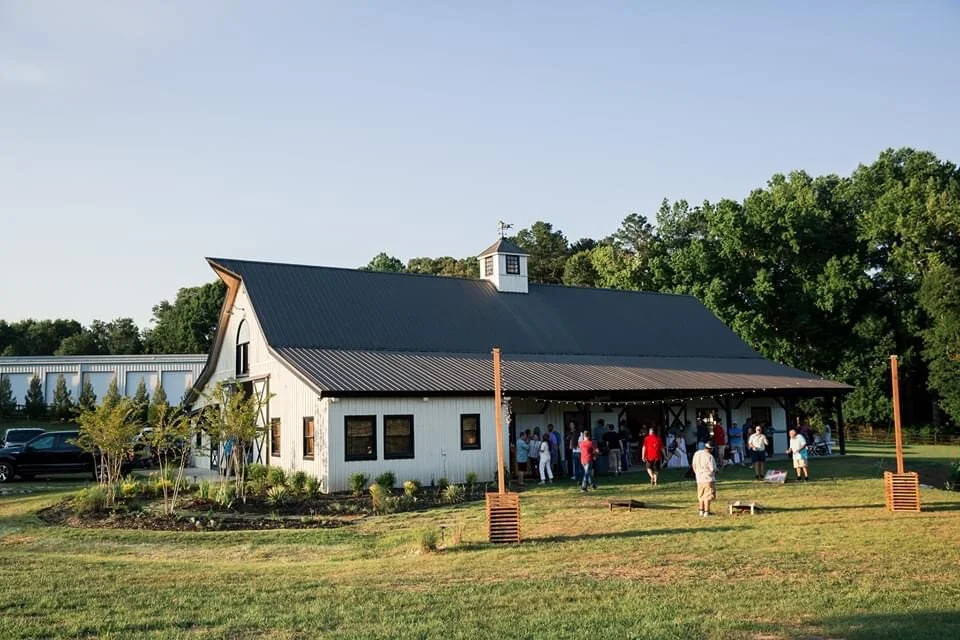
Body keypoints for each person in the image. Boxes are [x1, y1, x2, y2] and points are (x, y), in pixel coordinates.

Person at [691, 441, 718, 516]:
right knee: (708, 496)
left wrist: (697, 473)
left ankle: (701, 510)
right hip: (708, 478)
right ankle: (706, 511)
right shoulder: (710, 456)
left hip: (699, 478)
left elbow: (693, 465)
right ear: (711, 449)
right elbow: (712, 469)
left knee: (700, 495)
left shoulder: (697, 453)